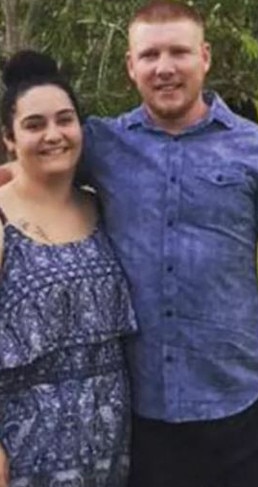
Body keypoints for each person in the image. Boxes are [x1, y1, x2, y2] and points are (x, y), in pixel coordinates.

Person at [0, 1, 258, 486]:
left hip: (247, 411)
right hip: (147, 426)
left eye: (178, 52)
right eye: (149, 55)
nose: (164, 68)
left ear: (205, 57)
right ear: (131, 66)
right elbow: (40, 162)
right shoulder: (102, 145)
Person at [0, 52, 137, 486]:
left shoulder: (104, 210)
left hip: (113, 452)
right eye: (34, 125)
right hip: (25, 457)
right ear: (8, 138)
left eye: (65, 120)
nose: (53, 135)